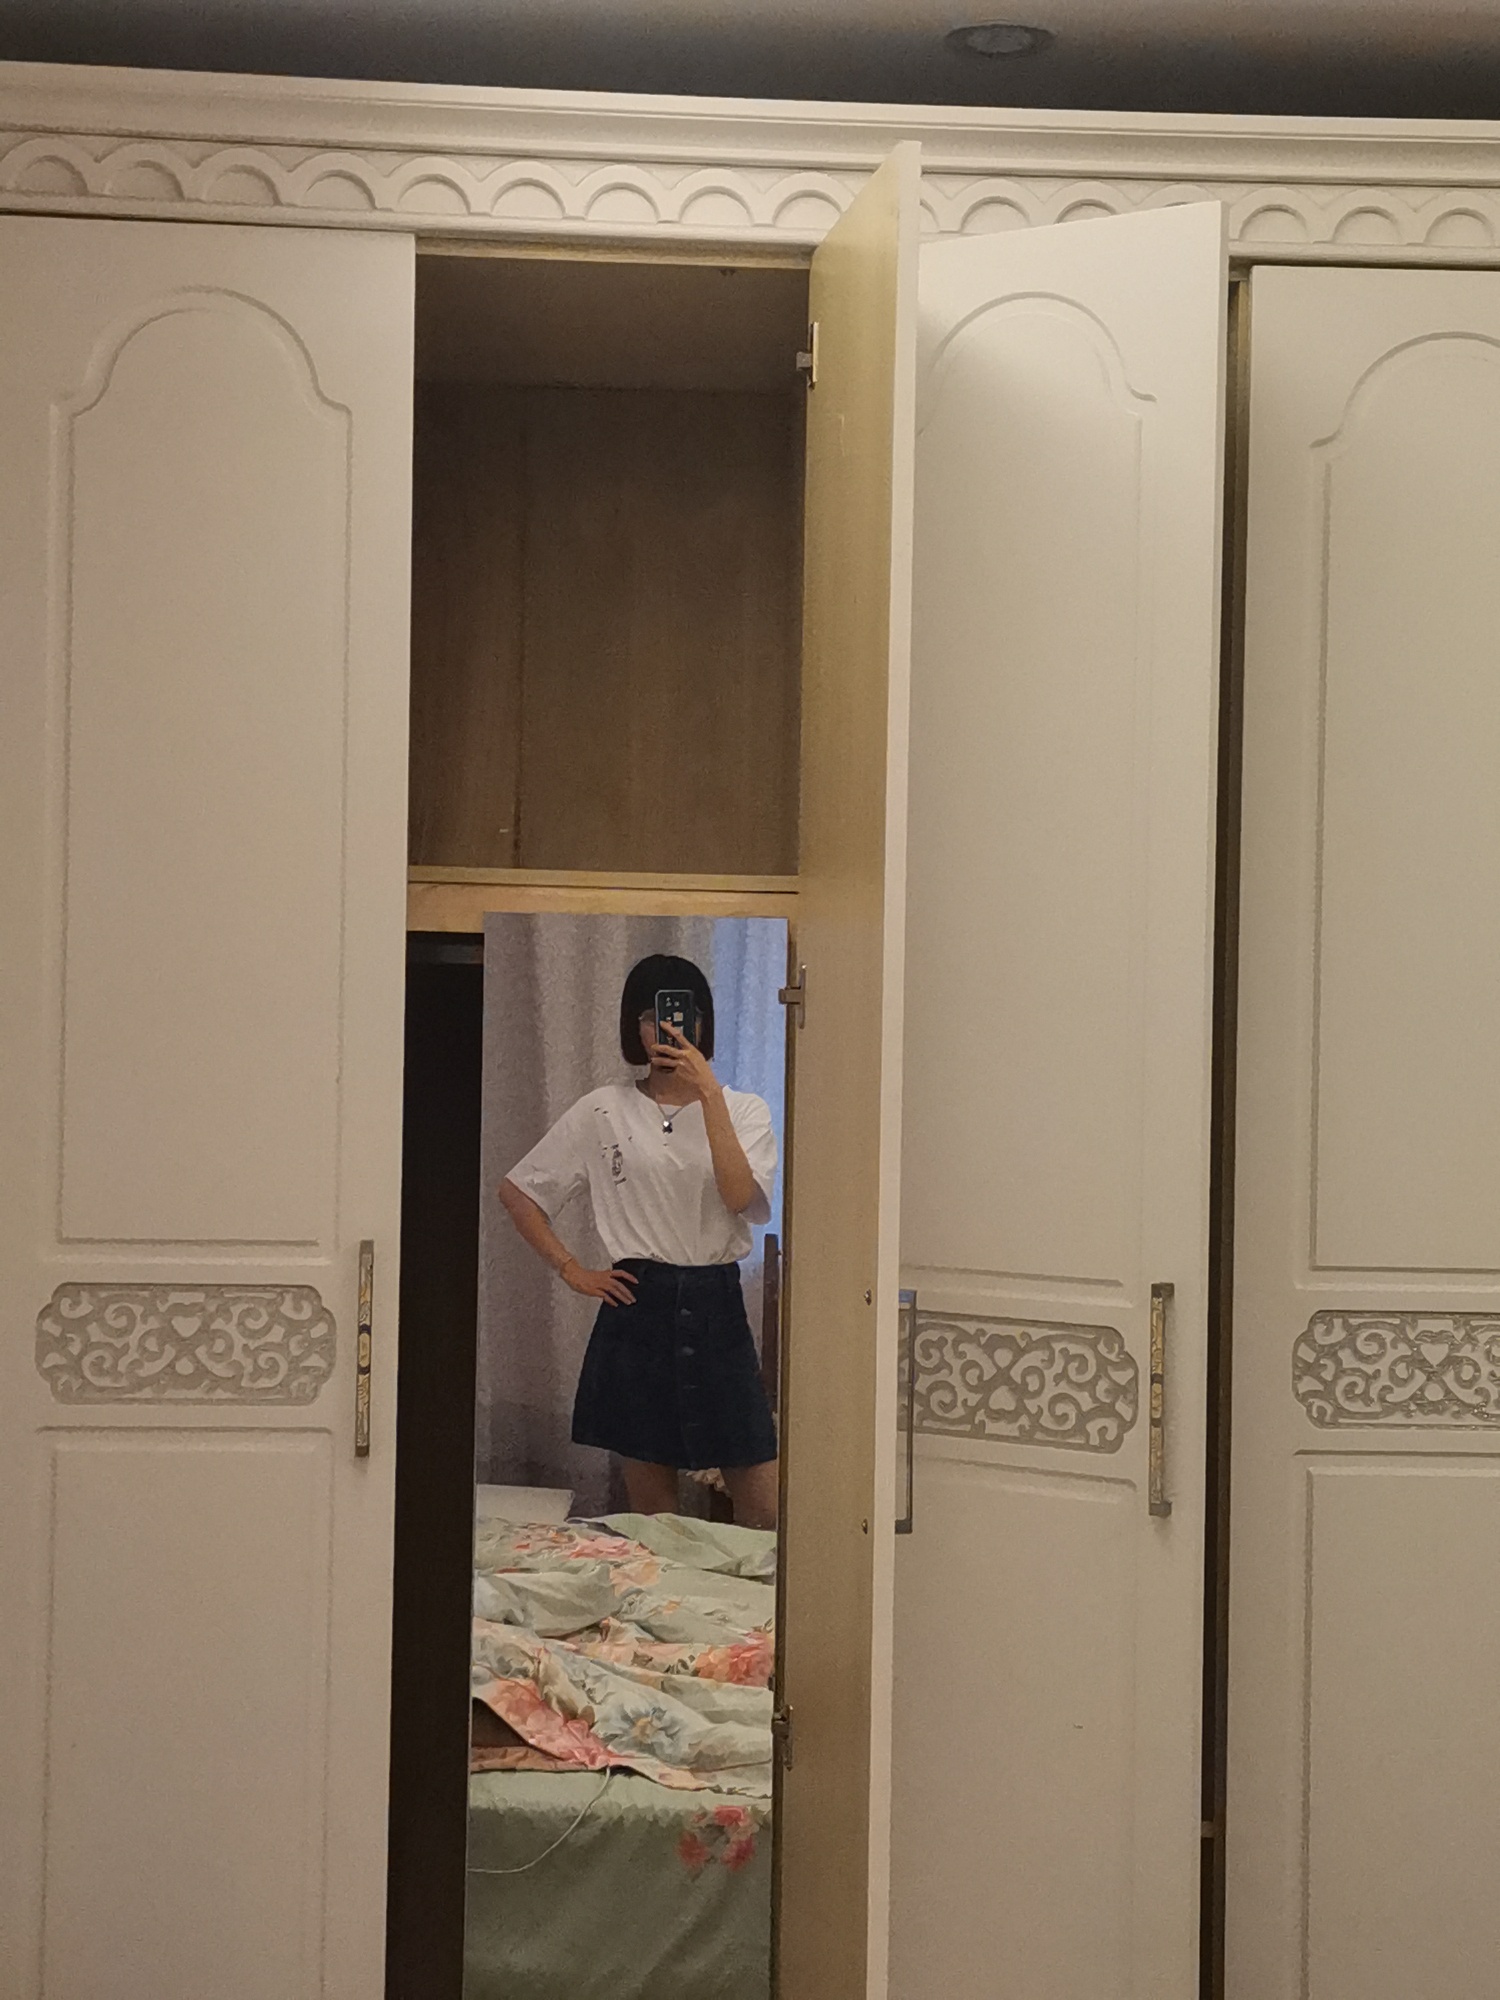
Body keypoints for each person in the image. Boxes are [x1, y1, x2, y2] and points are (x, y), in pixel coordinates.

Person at [498, 953, 780, 1529]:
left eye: (680, 1014)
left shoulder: (745, 1110)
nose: (667, 1028)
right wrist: (572, 1269)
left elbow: (739, 1198)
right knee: (654, 1520)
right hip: (639, 1307)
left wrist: (709, 1095)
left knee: (765, 1509)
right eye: (653, 1017)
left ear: (701, 1022)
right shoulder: (602, 1110)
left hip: (716, 1307)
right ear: (636, 1026)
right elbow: (519, 1191)